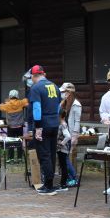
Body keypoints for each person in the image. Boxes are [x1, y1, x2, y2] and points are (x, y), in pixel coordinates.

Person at [28, 65, 61, 195]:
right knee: (52, 153)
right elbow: (59, 106)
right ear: (44, 74)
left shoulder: (35, 88)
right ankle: (51, 183)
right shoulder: (54, 86)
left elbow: (37, 108)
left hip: (43, 124)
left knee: (44, 154)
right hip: (54, 123)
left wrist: (37, 127)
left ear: (33, 76)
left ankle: (48, 185)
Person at [59, 82, 81, 188]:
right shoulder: (63, 103)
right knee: (64, 159)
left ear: (69, 93)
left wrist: (75, 136)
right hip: (62, 134)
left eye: (64, 92)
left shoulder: (76, 104)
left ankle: (74, 179)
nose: (62, 94)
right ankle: (70, 178)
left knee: (66, 159)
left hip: (70, 134)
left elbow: (77, 121)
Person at [0, 89, 28, 163]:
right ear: (17, 96)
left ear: (10, 96)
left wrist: (7, 102)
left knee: (10, 142)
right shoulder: (21, 103)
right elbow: (26, 101)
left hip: (11, 126)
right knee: (19, 142)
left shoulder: (7, 105)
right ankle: (19, 158)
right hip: (19, 126)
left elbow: (0, 107)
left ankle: (10, 158)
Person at [56, 109, 71, 191]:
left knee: (63, 166)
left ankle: (63, 184)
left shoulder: (63, 125)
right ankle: (63, 183)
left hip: (62, 149)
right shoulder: (62, 124)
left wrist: (62, 143)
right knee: (62, 166)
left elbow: (68, 136)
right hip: (60, 149)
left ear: (60, 116)